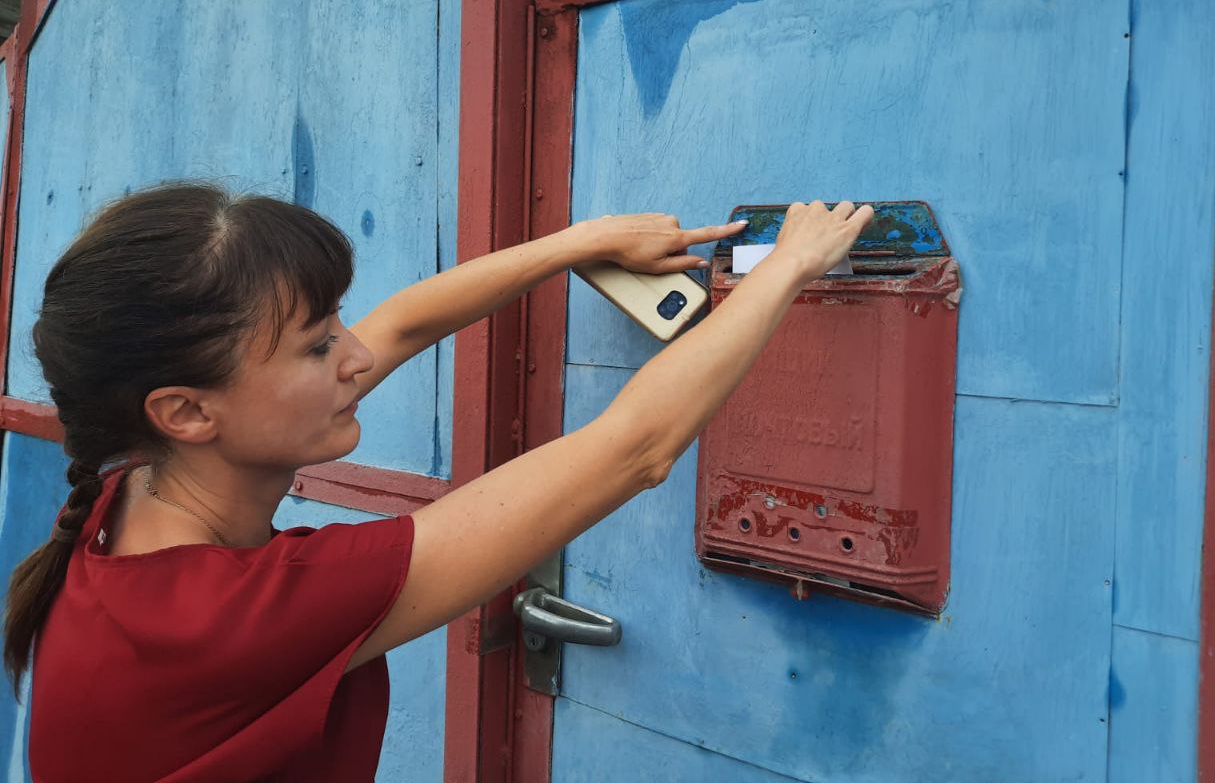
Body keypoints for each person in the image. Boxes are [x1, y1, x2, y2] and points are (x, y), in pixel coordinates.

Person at [2, 182, 873, 781]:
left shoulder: (127, 502)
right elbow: (633, 449)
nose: (354, 356)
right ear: (185, 411)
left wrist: (580, 242)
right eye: (317, 345)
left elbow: (404, 322)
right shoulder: (230, 616)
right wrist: (788, 266)